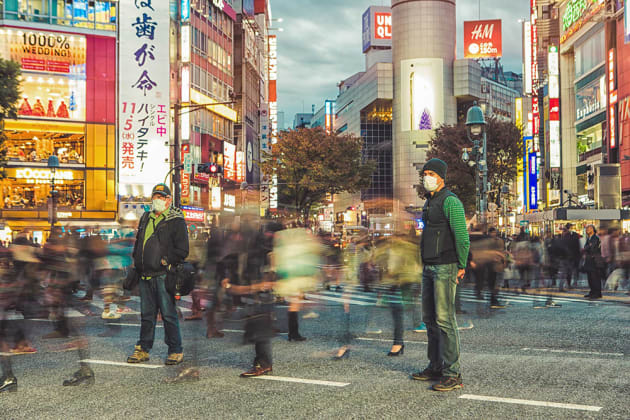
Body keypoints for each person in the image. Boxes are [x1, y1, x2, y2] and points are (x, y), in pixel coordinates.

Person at [411, 158, 470, 392]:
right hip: (429, 266)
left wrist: (462, 264)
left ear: (441, 177)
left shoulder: (450, 201)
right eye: (425, 173)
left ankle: (453, 373)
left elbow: (462, 236)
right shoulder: (430, 201)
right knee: (429, 319)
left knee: (445, 320)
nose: (427, 177)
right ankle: (435, 365)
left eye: (431, 173)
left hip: (446, 266)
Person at [127, 183, 189, 366]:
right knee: (146, 315)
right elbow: (140, 241)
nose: (158, 200)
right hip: (145, 274)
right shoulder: (146, 217)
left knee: (168, 314)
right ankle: (143, 349)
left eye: (162, 197)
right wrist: (137, 260)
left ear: (169, 200)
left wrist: (166, 259)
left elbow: (183, 249)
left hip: (164, 274)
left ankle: (175, 350)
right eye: (156, 196)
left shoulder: (175, 219)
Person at [582, 224, 603, 299]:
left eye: (589, 228)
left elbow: (591, 248)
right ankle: (592, 291)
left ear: (593, 229)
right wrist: (587, 247)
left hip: (594, 260)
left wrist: (587, 247)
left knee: (595, 277)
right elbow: (586, 247)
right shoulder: (589, 238)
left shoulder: (595, 238)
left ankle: (597, 293)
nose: (587, 229)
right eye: (587, 228)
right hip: (589, 260)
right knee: (590, 277)